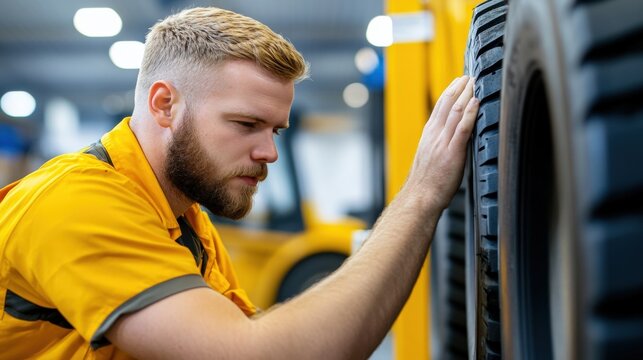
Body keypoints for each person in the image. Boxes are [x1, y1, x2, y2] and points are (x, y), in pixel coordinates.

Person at [0, 7, 479, 359]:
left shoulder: (187, 222)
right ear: (164, 104)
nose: (268, 151)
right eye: (246, 124)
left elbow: (269, 337)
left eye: (276, 131)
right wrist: (420, 197)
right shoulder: (76, 202)